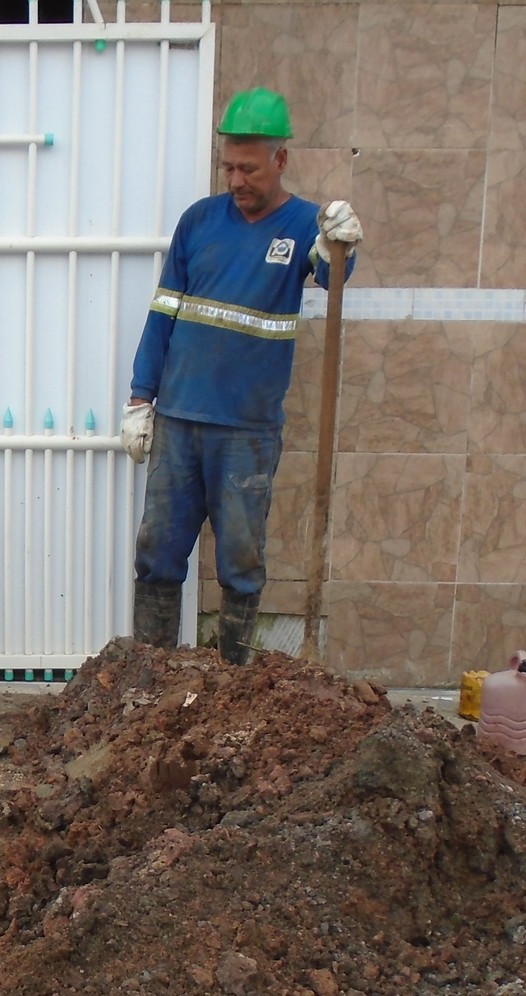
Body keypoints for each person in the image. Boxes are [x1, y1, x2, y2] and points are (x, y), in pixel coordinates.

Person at [119, 86, 363, 664]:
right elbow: (163, 315)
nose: (235, 179)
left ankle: (233, 683)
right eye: (228, 165)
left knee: (241, 559)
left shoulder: (305, 224)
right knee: (157, 551)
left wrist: (339, 247)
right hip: (179, 420)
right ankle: (150, 673)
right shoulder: (199, 222)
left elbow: (332, 279)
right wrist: (139, 398)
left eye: (248, 168)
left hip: (247, 432)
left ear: (280, 160)